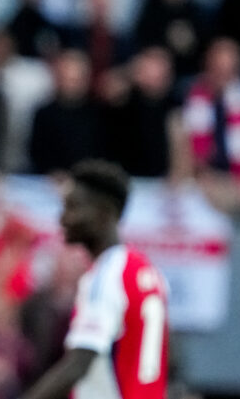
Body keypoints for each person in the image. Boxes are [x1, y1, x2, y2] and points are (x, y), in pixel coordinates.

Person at [23, 160, 169, 399]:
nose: (63, 219)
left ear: (103, 213)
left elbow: (79, 364)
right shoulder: (147, 272)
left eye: (73, 207)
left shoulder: (105, 277)